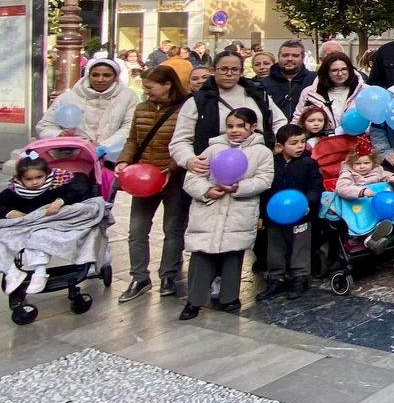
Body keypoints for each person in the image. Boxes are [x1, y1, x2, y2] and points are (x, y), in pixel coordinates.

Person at [179, 107, 273, 320]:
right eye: (230, 126)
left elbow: (264, 179)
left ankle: (229, 297)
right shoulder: (213, 150)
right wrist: (206, 190)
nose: (234, 130)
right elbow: (193, 177)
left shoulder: (262, 153)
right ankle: (194, 300)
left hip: (239, 212)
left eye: (240, 126)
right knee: (202, 254)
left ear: (253, 127)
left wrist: (239, 187)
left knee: (233, 255)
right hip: (209, 211)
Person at [117, 64, 192, 302]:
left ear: (167, 84)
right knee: (137, 230)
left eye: (150, 87)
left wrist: (170, 168)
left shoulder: (185, 110)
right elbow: (133, 140)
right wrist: (124, 161)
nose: (146, 91)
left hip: (173, 178)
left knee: (173, 229)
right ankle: (139, 277)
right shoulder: (141, 109)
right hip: (142, 179)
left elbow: (186, 142)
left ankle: (168, 276)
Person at [0, 151, 102, 297]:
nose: (35, 182)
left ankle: (40, 272)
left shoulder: (58, 185)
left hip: (52, 222)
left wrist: (60, 201)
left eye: (39, 177)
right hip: (28, 223)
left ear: (46, 174)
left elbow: (77, 193)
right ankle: (11, 271)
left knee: (40, 236)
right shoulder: (15, 192)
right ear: (20, 179)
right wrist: (9, 212)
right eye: (29, 179)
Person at [170, 50, 287, 176]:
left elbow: (280, 121)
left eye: (234, 69)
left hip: (257, 169)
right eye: (224, 69)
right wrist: (189, 160)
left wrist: (274, 144)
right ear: (213, 70)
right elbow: (180, 140)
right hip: (213, 170)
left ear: (241, 72)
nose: (229, 74)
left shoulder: (258, 95)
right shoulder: (197, 101)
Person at [256, 122, 323, 300]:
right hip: (275, 215)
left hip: (301, 214)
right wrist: (262, 214)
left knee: (300, 246)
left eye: (302, 141)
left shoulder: (309, 163)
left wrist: (308, 203)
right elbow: (265, 190)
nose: (300, 146)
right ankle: (276, 278)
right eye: (294, 143)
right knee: (275, 247)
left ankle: (300, 277)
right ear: (280, 146)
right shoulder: (271, 164)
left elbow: (316, 187)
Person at [36, 55, 138, 151]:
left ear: (115, 77)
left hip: (113, 157)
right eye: (95, 75)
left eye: (106, 75)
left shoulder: (128, 97)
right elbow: (45, 126)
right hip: (74, 156)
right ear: (88, 75)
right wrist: (60, 134)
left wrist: (103, 147)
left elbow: (129, 128)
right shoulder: (67, 98)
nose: (100, 79)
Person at [293, 51, 362, 129]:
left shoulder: (364, 90)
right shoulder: (309, 92)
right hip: (321, 139)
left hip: (357, 139)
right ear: (326, 72)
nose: (340, 74)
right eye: (334, 70)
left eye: (344, 69)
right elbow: (298, 120)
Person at [261, 39, 314, 122]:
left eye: (295, 55)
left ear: (303, 58)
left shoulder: (315, 80)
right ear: (278, 57)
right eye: (285, 55)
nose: (289, 59)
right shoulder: (263, 84)